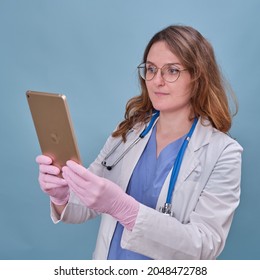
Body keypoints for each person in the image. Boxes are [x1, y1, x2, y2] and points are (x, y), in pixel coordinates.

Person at [36, 25, 243, 260]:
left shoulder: (223, 152)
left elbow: (205, 246)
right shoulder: (128, 134)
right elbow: (87, 204)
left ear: (198, 77)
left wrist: (125, 209)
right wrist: (62, 195)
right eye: (151, 69)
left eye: (172, 70)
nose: (157, 81)